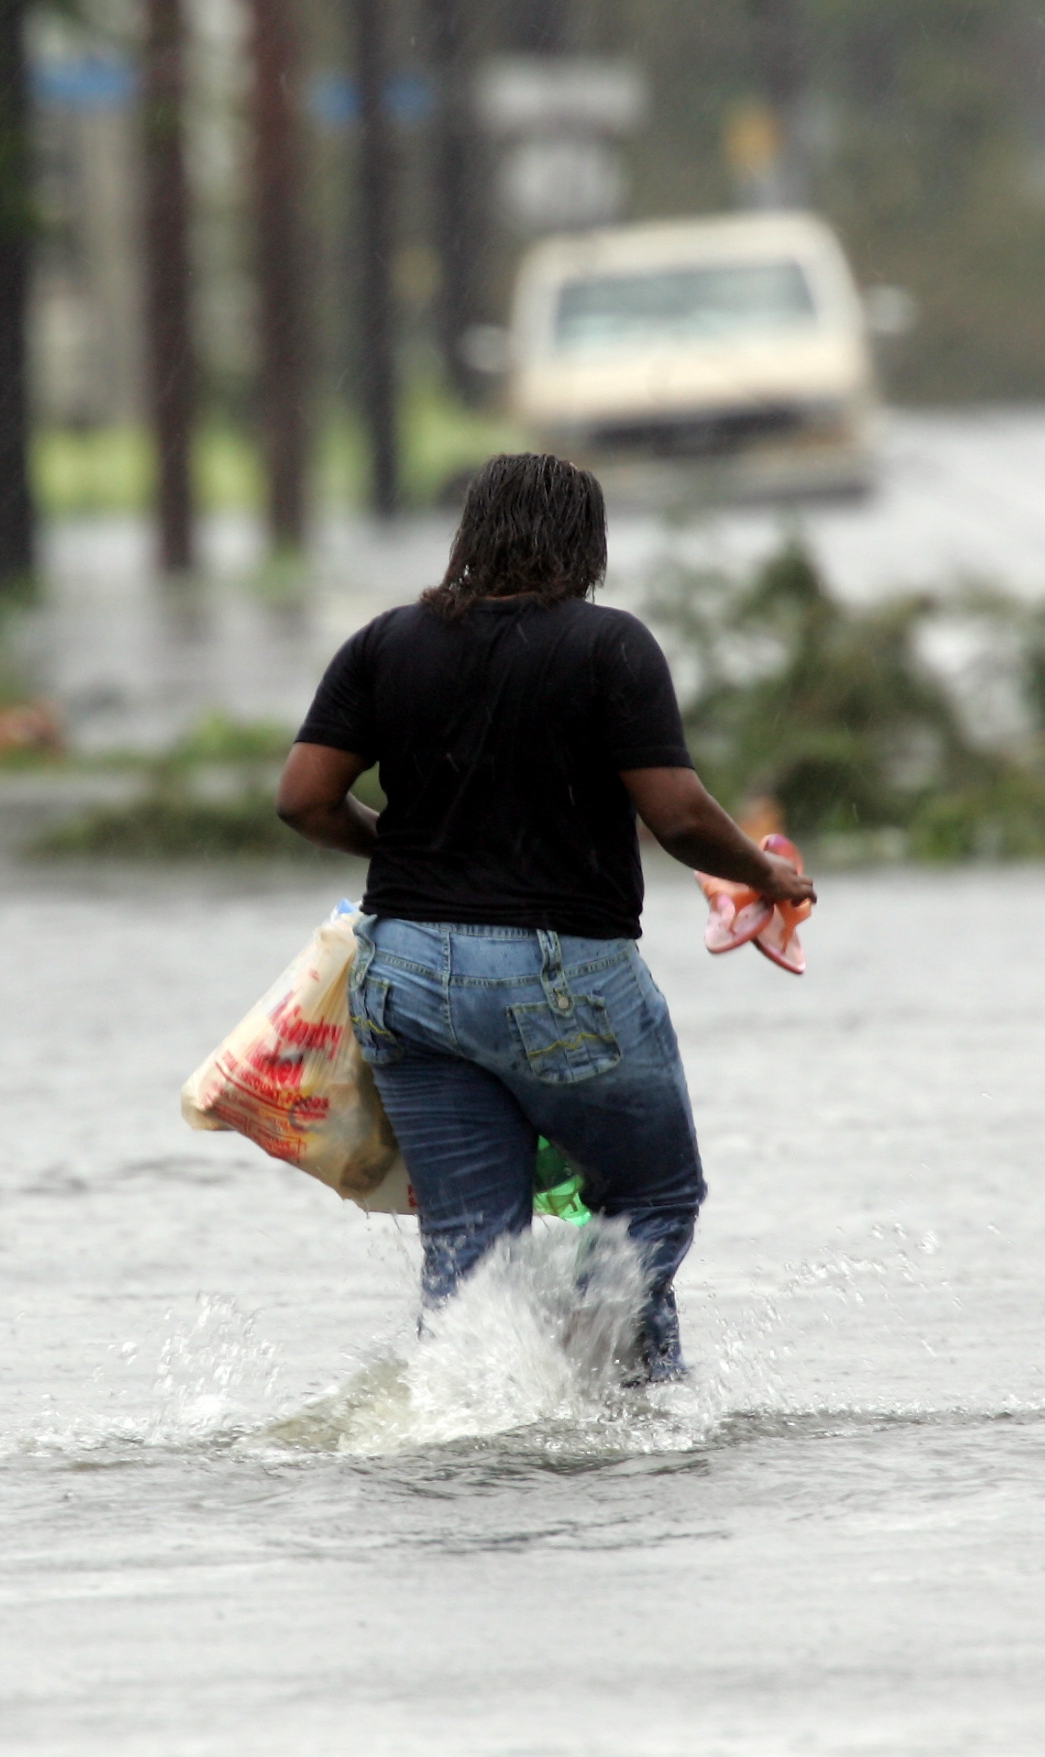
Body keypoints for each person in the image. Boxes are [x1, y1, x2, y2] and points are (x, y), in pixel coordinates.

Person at [275, 452, 813, 1380]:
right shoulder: (611, 647)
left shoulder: (384, 644)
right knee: (652, 1193)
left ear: (471, 536)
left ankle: (469, 1411)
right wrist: (765, 874)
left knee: (469, 1248)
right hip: (561, 972)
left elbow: (304, 799)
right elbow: (679, 816)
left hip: (402, 973)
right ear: (586, 544)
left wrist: (408, 856)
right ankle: (604, 1395)